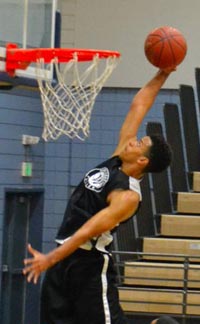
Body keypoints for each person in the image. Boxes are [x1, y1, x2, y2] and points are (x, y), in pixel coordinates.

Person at [23, 68, 175, 324]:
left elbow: (86, 231)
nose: (133, 140)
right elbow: (139, 104)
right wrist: (163, 72)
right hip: (64, 258)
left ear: (141, 160)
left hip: (88, 266)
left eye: (139, 143)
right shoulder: (118, 158)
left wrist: (49, 258)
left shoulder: (127, 197)